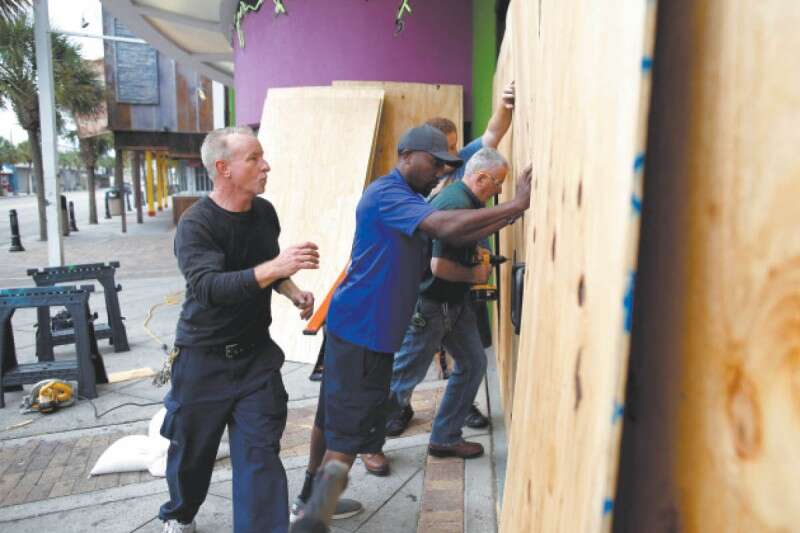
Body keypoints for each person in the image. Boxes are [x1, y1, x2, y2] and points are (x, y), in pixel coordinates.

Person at [290, 124, 532, 520]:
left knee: (330, 418)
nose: (440, 171)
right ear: (406, 156)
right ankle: (314, 516)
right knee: (349, 434)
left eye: (445, 165)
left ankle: (308, 498)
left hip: (357, 326)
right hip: (365, 332)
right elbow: (446, 227)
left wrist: (508, 215)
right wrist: (516, 205)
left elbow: (456, 232)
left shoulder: (406, 197)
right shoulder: (389, 194)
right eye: (434, 162)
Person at [159, 126, 320, 533]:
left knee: (260, 454)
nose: (266, 166)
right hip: (202, 359)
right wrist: (277, 267)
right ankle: (181, 513)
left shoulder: (264, 213)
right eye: (254, 158)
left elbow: (266, 269)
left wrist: (292, 291)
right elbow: (209, 288)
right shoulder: (196, 225)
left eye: (262, 156)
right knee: (192, 455)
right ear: (223, 168)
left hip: (255, 358)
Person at [381, 148, 509, 464]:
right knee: (403, 378)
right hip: (431, 305)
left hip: (453, 302)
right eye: (497, 183)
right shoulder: (455, 204)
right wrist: (475, 274)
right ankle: (365, 441)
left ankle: (445, 438)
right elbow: (438, 266)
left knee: (473, 363)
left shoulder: (468, 201)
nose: (498, 190)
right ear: (481, 177)